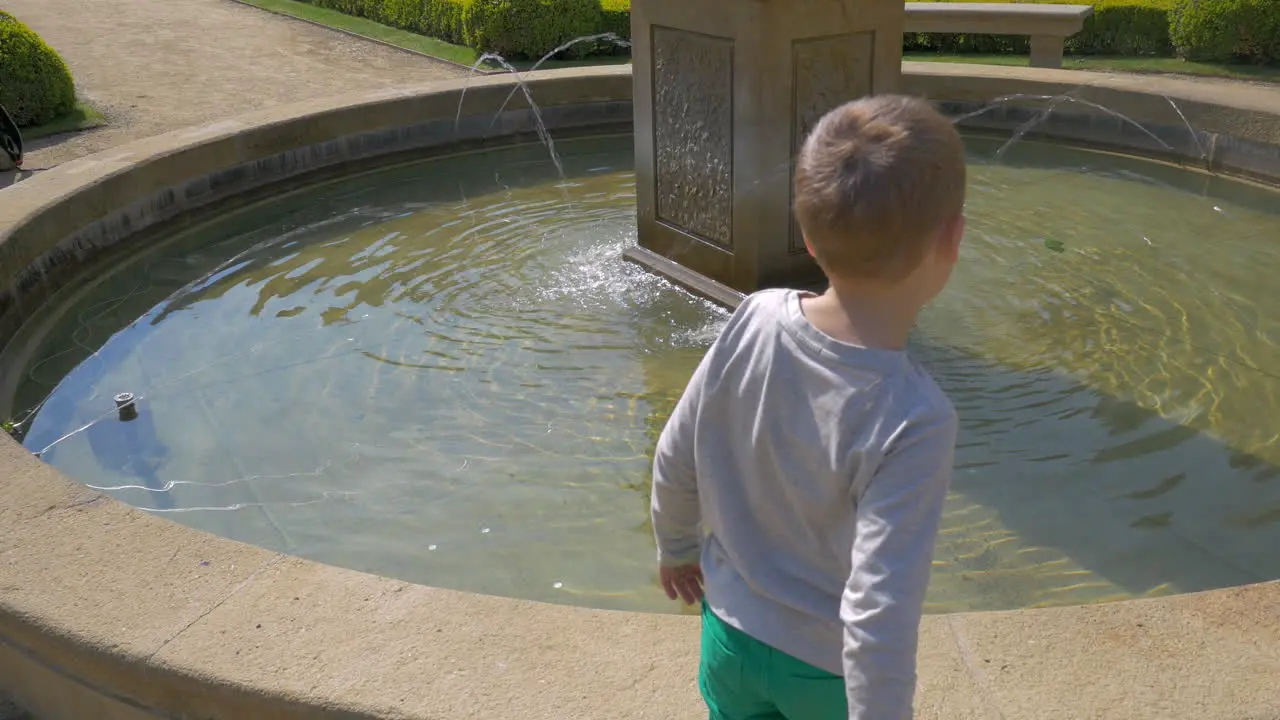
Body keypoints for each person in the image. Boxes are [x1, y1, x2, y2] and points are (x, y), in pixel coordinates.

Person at [649, 94, 967, 720]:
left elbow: (677, 448)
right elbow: (881, 606)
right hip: (823, 670)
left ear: (808, 237)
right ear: (951, 239)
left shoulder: (755, 316)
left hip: (730, 634)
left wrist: (675, 544)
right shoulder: (914, 417)